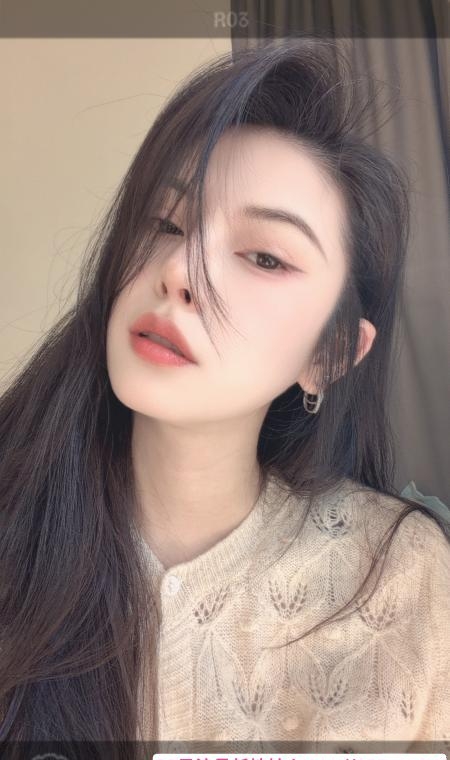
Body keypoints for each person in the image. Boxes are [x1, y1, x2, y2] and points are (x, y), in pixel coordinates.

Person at [0, 36, 449, 753]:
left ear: (331, 354)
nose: (179, 270)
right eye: (166, 223)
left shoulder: (401, 578)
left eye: (264, 256)